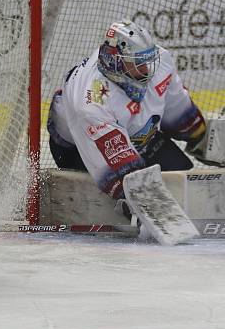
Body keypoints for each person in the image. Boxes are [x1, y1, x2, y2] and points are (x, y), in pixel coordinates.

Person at [47, 20, 207, 204]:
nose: (147, 69)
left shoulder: (159, 61)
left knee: (182, 180)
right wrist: (139, 200)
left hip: (138, 138)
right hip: (80, 147)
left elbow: (178, 110)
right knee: (122, 199)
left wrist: (200, 135)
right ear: (116, 63)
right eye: (138, 64)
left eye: (147, 61)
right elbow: (121, 174)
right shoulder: (91, 102)